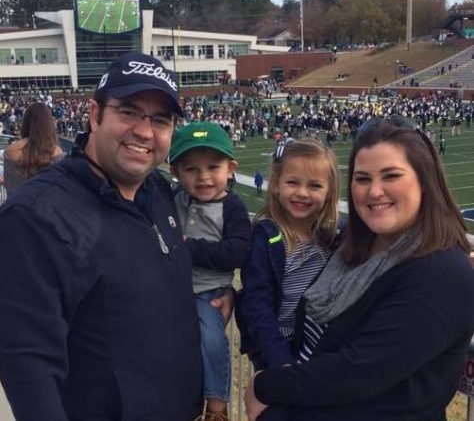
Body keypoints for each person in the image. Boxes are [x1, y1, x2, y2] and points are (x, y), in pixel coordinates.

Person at [0, 52, 231, 420]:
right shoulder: (36, 216)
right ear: (95, 115)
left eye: (160, 119)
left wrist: (218, 295)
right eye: (128, 112)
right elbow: (28, 365)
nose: (144, 131)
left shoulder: (156, 190)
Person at [245, 118, 474, 421]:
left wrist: (266, 385)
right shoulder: (349, 244)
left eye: (390, 176)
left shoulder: (441, 272)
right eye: (363, 178)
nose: (374, 191)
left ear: (425, 179)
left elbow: (359, 371)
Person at [169, 122, 252, 421]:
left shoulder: (232, 207)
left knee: (212, 339)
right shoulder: (171, 198)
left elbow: (238, 251)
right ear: (176, 171)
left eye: (213, 167)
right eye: (191, 169)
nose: (203, 177)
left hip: (208, 292)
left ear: (230, 168)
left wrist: (189, 248)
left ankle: (217, 406)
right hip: (172, 290)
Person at [236, 138, 340, 371]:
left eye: (314, 186)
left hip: (318, 344)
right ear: (275, 184)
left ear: (329, 191)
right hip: (278, 345)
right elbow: (257, 304)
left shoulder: (331, 236)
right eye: (293, 182)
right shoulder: (266, 236)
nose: (302, 193)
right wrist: (279, 359)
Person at [3, 102, 64, 196]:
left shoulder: (11, 153)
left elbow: (10, 187)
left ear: (25, 123)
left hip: (15, 209)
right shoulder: (57, 153)